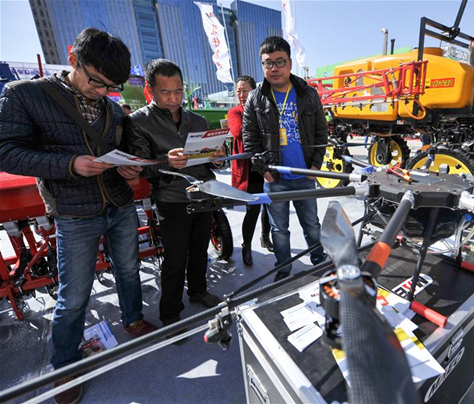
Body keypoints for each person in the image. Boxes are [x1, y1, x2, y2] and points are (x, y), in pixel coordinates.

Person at [0, 28, 157, 404]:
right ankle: (65, 364)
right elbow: (6, 152)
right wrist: (68, 164)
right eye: (98, 82)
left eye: (111, 86)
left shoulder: (113, 108)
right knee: (73, 296)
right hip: (74, 213)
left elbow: (127, 145)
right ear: (74, 60)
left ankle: (133, 316)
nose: (103, 91)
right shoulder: (25, 95)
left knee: (129, 268)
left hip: (119, 204)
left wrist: (132, 166)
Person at [124, 59, 223, 331]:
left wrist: (217, 159)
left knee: (200, 251)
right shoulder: (138, 122)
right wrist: (166, 162)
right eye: (165, 92)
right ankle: (170, 313)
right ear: (150, 91)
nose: (173, 98)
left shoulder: (198, 119)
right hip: (171, 199)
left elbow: (210, 161)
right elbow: (140, 166)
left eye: (178, 91)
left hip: (203, 193)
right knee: (175, 259)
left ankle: (198, 291)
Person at [243, 36, 328, 282]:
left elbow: (321, 132)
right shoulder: (255, 98)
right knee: (279, 230)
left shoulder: (308, 94)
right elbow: (251, 141)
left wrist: (315, 167)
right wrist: (264, 172)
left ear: (290, 63)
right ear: (262, 66)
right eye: (268, 63)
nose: (274, 68)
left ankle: (318, 261)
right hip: (275, 177)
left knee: (311, 225)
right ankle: (284, 267)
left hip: (305, 176)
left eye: (280, 62)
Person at [228, 75, 273, 266]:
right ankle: (247, 246)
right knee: (253, 209)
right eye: (238, 91)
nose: (241, 94)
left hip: (268, 166)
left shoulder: (264, 110)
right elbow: (239, 133)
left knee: (270, 207)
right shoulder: (234, 112)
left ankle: (265, 237)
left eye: (245, 90)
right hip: (250, 170)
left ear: (255, 91)